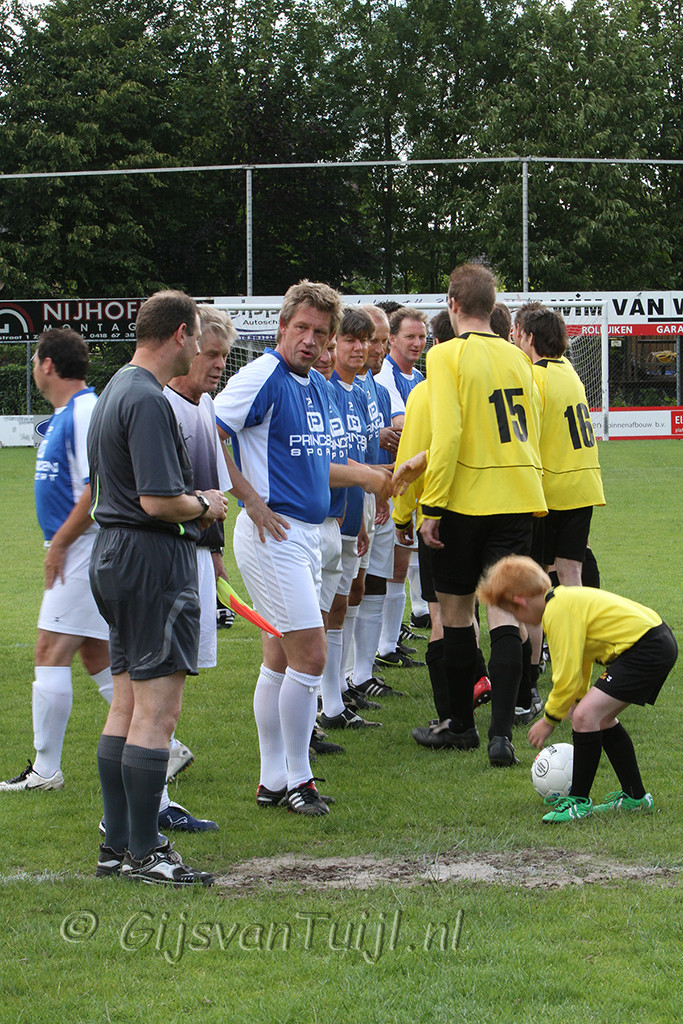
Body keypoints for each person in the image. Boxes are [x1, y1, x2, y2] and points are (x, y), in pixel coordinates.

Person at [214, 281, 391, 816]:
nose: (310, 340)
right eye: (302, 328)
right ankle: (299, 779)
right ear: (282, 327)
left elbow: (316, 462)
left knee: (279, 658)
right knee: (311, 654)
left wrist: (367, 477)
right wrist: (249, 499)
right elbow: (208, 432)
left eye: (320, 332)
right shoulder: (262, 375)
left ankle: (273, 780)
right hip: (275, 535)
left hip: (307, 534)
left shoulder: (312, 384)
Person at [88, 289, 228, 886]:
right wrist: (205, 503)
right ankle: (146, 852)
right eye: (198, 336)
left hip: (115, 555)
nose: (201, 349)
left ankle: (117, 846)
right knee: (157, 712)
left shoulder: (116, 387)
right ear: (178, 334)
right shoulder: (147, 398)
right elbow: (158, 500)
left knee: (125, 705)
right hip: (148, 559)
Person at [417, 263, 546, 767]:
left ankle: (460, 726)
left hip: (465, 501)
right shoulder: (520, 358)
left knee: (454, 614)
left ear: (452, 305)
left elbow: (448, 436)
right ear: (492, 307)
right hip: (517, 497)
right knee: (505, 614)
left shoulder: (445, 354)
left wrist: (432, 505)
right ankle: (502, 736)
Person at [476, 555, 678, 822]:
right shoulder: (561, 601)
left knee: (586, 716)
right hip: (655, 641)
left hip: (645, 647)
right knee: (599, 718)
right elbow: (581, 657)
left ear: (520, 601)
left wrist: (549, 719)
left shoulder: (557, 611)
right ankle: (635, 798)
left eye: (514, 614)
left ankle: (578, 802)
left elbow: (566, 676)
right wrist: (578, 698)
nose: (519, 620)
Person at [0, 329, 113, 793]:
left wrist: (61, 544)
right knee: (97, 654)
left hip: (83, 549)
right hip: (79, 548)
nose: (33, 369)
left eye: (34, 362)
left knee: (49, 651)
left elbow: (95, 488)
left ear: (47, 365)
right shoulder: (70, 412)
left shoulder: (85, 411)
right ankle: (163, 745)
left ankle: (46, 770)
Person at [374, 307, 428, 669]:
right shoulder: (386, 376)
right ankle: (386, 644)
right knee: (393, 562)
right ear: (392, 339)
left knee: (404, 556)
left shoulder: (418, 376)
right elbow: (402, 425)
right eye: (410, 336)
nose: (417, 343)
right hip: (390, 477)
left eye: (421, 336)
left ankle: (391, 638)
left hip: (411, 474)